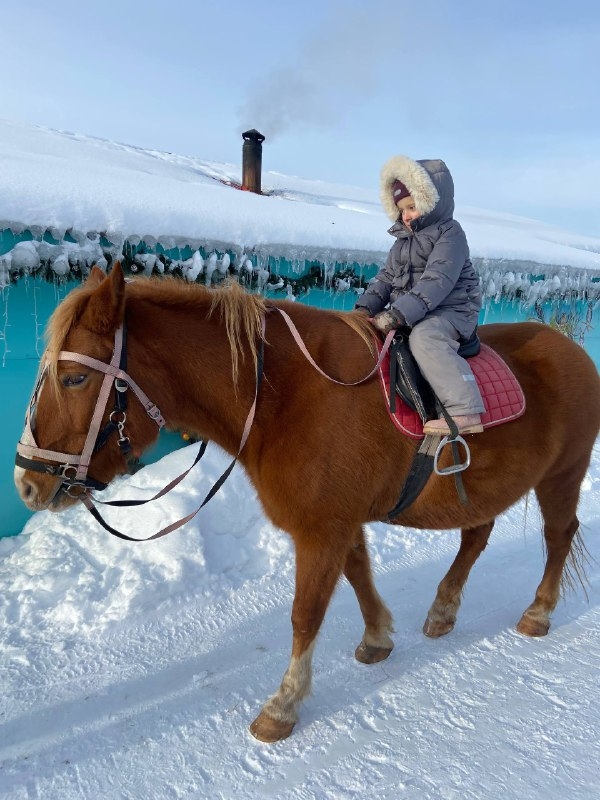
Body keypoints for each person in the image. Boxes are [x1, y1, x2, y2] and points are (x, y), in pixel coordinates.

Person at [355, 155, 485, 435]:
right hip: (415, 311)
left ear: (431, 201)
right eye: (402, 209)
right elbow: (386, 278)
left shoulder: (451, 233)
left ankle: (465, 409)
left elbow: (436, 280)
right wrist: (364, 310)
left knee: (426, 338)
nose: (407, 215)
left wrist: (399, 313)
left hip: (452, 311)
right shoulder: (402, 242)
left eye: (412, 206)